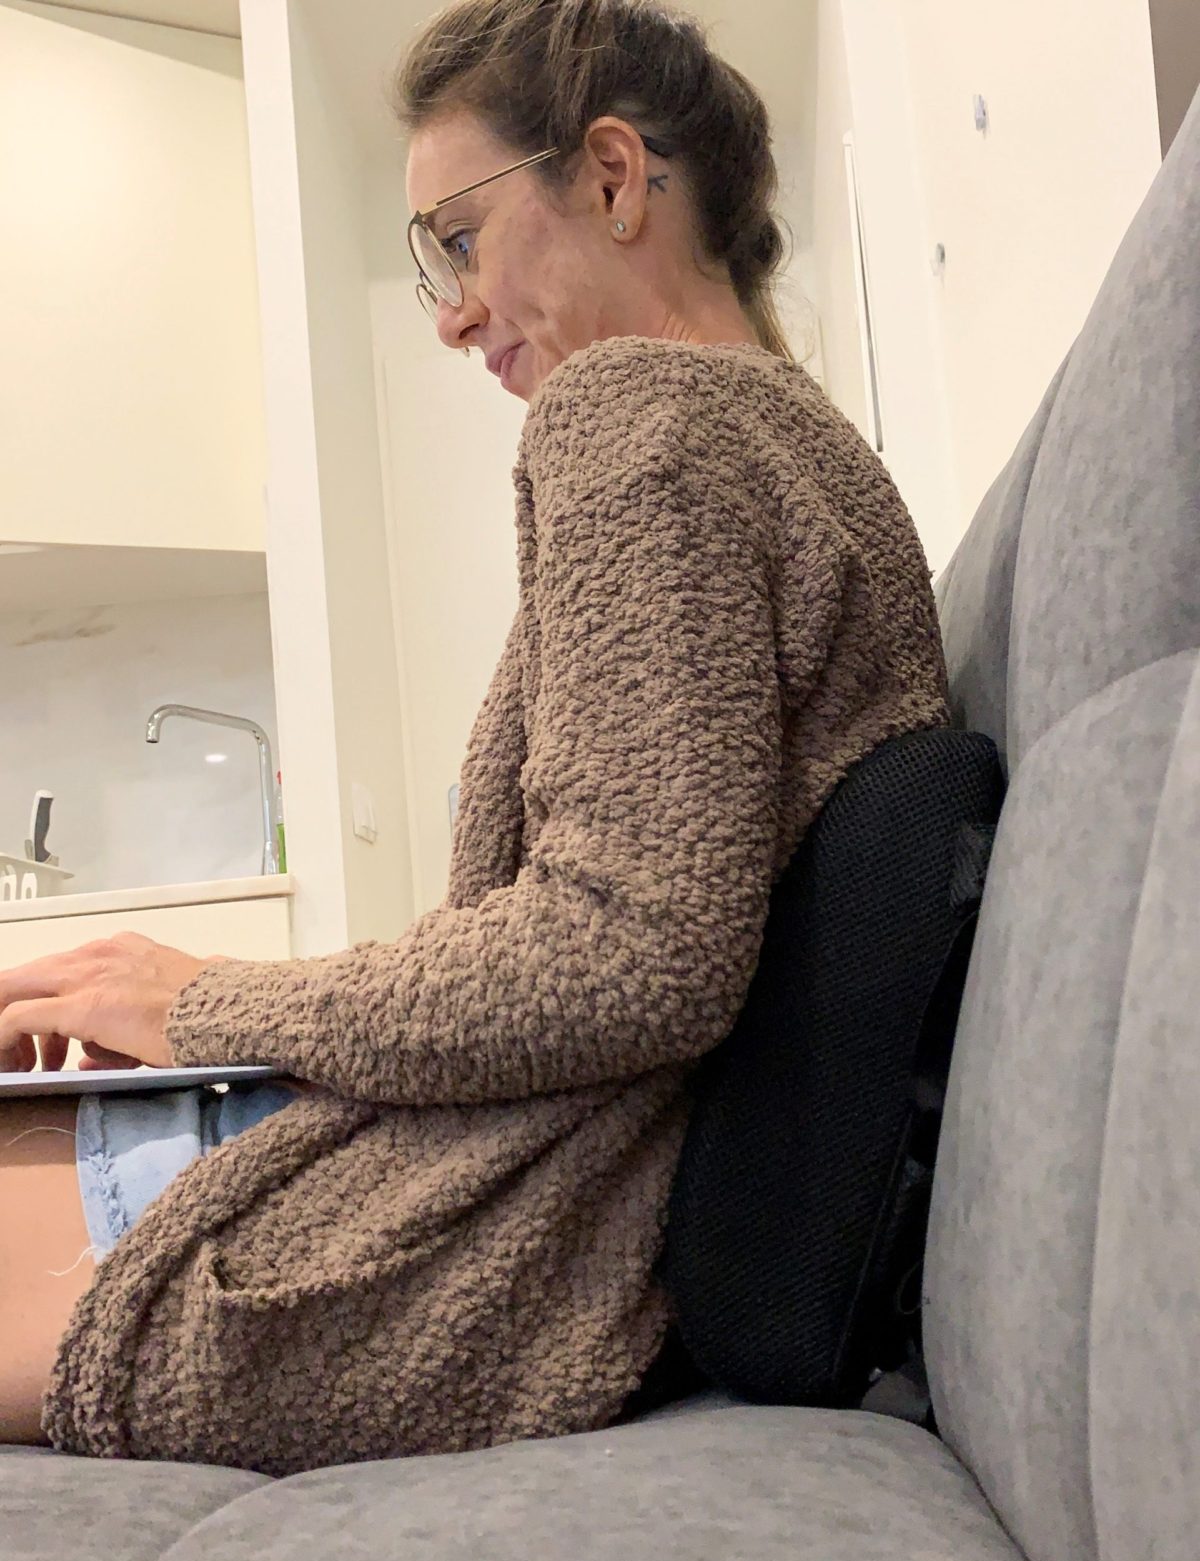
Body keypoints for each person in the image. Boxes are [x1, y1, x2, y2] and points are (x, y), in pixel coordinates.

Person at [0, 0, 951, 1473]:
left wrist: (206, 1005)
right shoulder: (794, 441)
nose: (449, 314)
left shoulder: (639, 414)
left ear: (615, 176)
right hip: (504, 1185)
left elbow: (628, 951)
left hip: (492, 1237)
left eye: (458, 238)